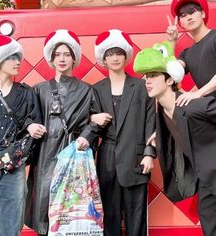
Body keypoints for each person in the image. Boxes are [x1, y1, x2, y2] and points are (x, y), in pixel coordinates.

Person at [134, 41, 216, 236]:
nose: (148, 81)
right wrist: (160, 136)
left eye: (153, 75)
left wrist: (201, 93)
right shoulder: (163, 111)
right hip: (206, 180)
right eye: (146, 76)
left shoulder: (193, 106)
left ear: (170, 80)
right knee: (208, 223)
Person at [25, 29, 101, 235]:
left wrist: (86, 136)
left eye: (67, 54)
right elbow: (28, 118)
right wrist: (31, 126)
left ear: (74, 58)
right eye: (57, 54)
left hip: (74, 154)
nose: (62, 59)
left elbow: (97, 120)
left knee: (73, 209)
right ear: (51, 58)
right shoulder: (39, 89)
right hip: (45, 155)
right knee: (44, 204)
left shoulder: (87, 90)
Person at [90, 29, 156, 236]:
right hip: (107, 161)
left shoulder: (141, 86)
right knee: (109, 217)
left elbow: (151, 122)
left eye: (119, 52)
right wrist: (92, 119)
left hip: (136, 161)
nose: (115, 57)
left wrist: (149, 153)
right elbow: (88, 123)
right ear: (104, 58)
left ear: (126, 56)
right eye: (110, 53)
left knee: (136, 217)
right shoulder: (97, 89)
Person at [0, 34, 44, 236]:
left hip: (13, 169)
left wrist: (6, 157)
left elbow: (32, 135)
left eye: (18, 57)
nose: (18, 62)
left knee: (11, 225)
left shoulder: (27, 94)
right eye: (12, 58)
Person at [166, 0, 216, 106]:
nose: (189, 17)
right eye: (183, 15)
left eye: (192, 12)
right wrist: (172, 41)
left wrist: (197, 93)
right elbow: (170, 72)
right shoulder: (186, 54)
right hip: (207, 110)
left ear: (203, 13)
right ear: (181, 24)